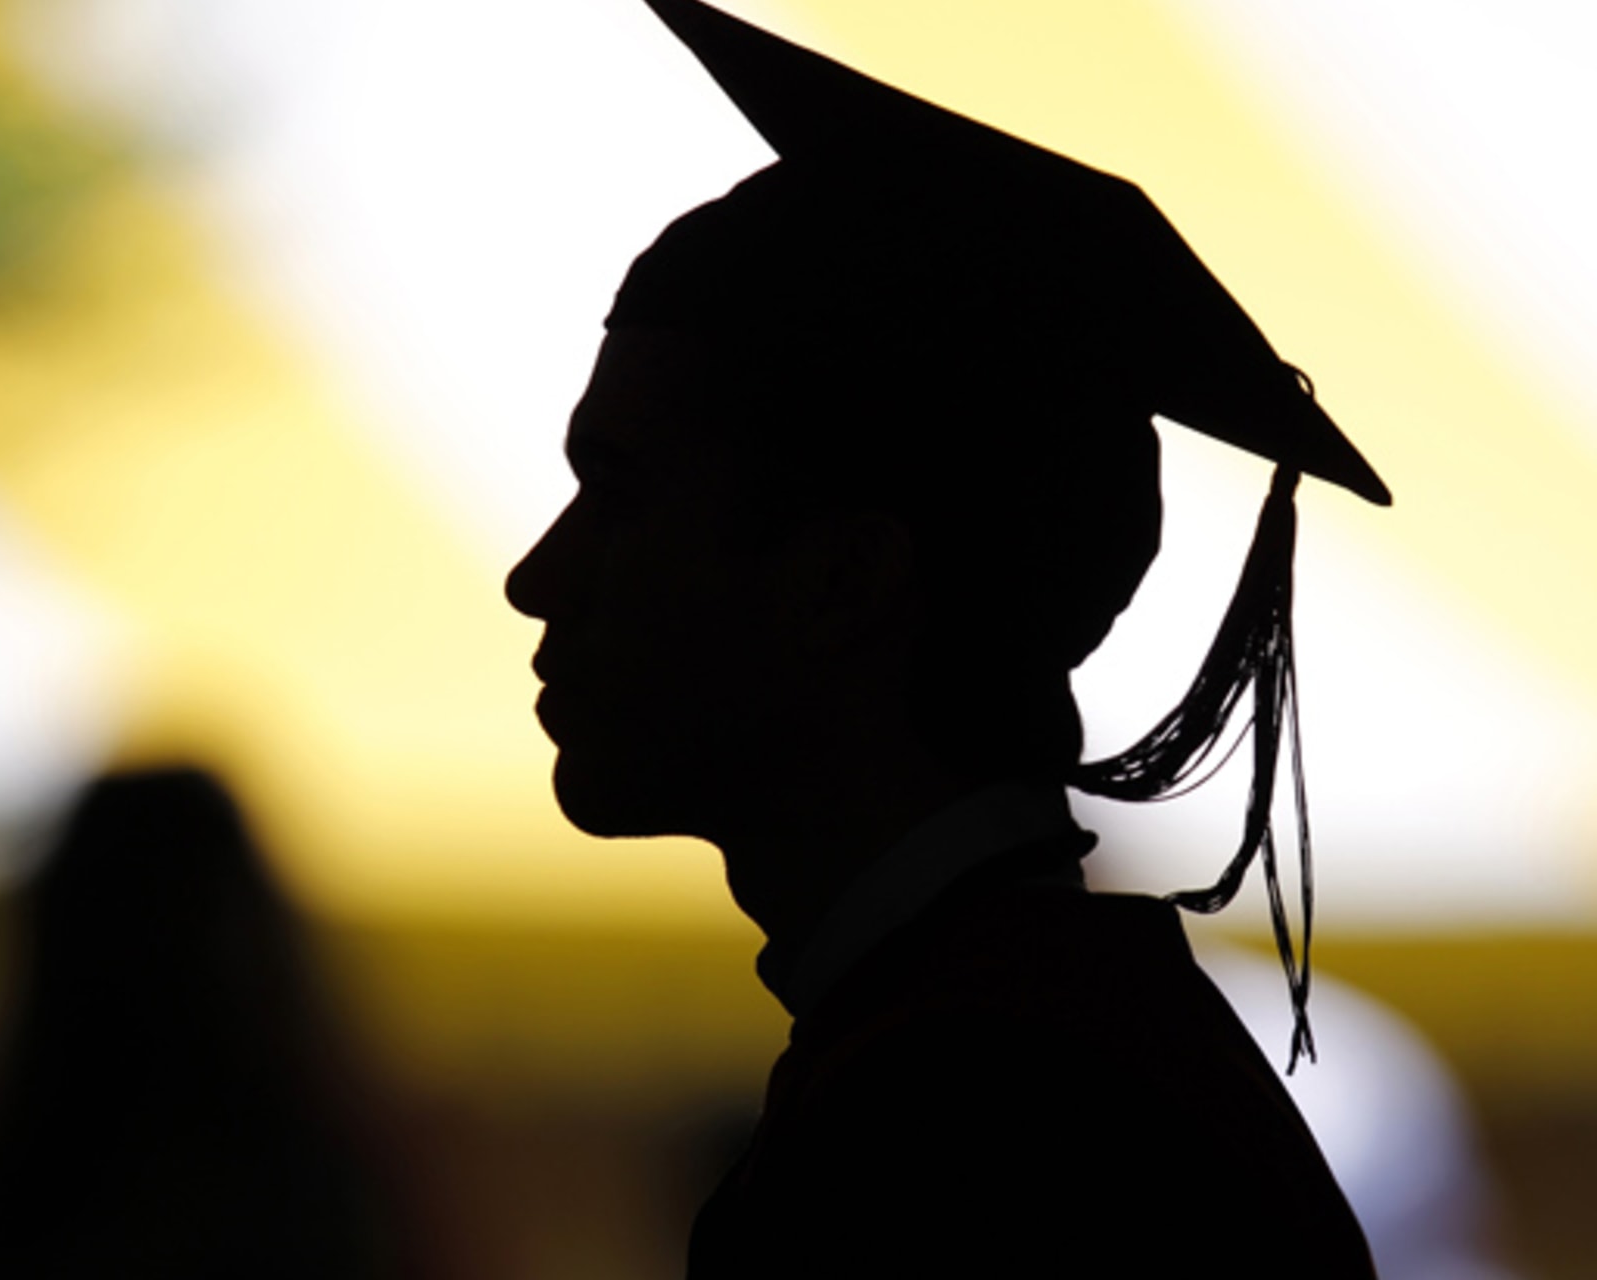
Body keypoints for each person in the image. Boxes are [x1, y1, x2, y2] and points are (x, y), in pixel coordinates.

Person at [505, 1, 1384, 1275]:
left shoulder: (977, 1121)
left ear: (849, 579)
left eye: (625, 494)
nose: (540, 576)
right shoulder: (1044, 1043)